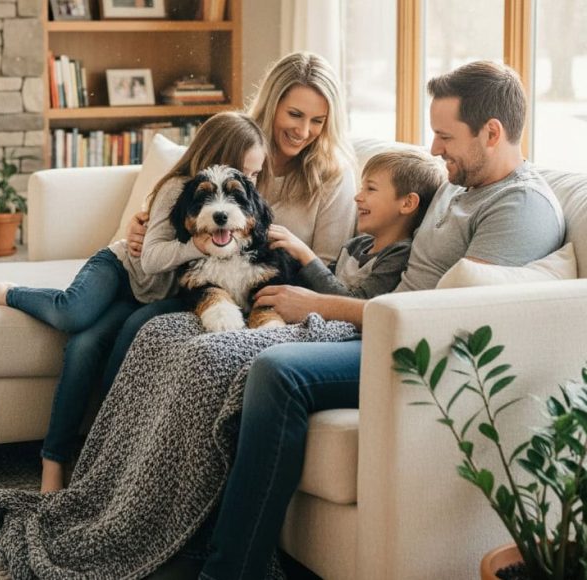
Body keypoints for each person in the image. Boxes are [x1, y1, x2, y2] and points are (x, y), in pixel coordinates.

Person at [198, 60, 566, 579]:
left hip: (420, 351)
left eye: (444, 136)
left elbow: (450, 319)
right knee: (222, 349)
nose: (434, 150)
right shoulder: (461, 185)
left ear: (492, 132)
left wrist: (320, 304)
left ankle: (230, 571)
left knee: (278, 370)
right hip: (378, 321)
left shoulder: (518, 207)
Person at [0, 111, 268, 493]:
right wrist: (195, 244)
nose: (250, 185)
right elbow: (151, 258)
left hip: (149, 293)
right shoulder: (179, 191)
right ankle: (10, 292)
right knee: (73, 313)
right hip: (121, 268)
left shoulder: (238, 211)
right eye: (246, 173)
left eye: (254, 177)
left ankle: (80, 453)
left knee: (84, 346)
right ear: (217, 158)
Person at [101, 51, 358, 391]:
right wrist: (143, 224)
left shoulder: (333, 177)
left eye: (318, 121)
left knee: (141, 323)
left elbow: (326, 266)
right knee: (120, 324)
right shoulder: (240, 148)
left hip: (278, 287)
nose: (303, 131)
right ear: (271, 106)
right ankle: (105, 427)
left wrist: (295, 255)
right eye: (294, 114)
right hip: (203, 278)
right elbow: (188, 195)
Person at [272, 148, 445, 299]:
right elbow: (319, 285)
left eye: (370, 189)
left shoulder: (399, 254)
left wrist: (306, 255)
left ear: (407, 203)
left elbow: (355, 303)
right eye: (361, 188)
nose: (357, 197)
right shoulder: (355, 246)